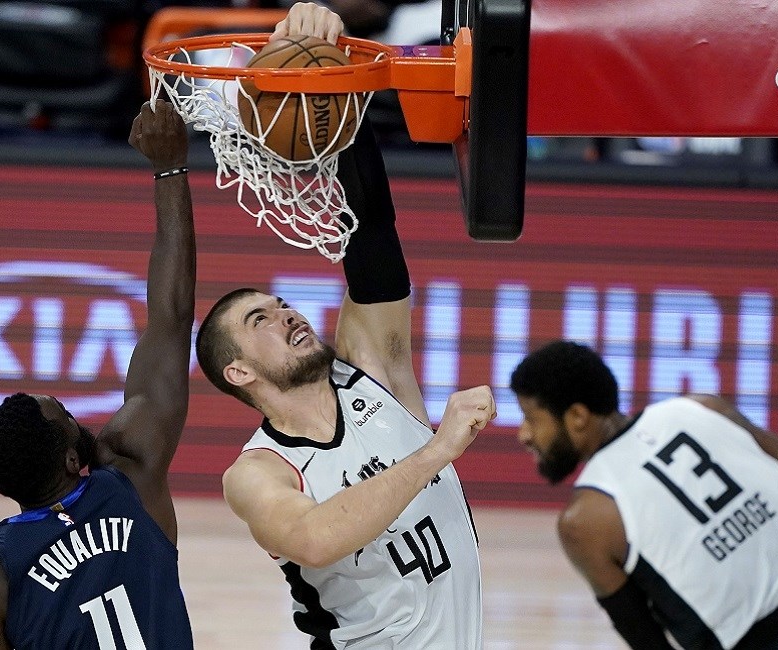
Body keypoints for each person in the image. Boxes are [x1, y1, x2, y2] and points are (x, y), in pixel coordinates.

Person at [193, 6, 492, 647]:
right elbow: (313, 537)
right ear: (238, 371)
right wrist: (437, 449)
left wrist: (339, 83)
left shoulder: (372, 374)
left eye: (280, 303)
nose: (287, 314)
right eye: (260, 320)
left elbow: (373, 234)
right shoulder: (258, 473)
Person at [0, 99, 196, 649]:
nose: (73, 411)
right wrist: (170, 169)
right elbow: (171, 317)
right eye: (65, 413)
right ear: (71, 458)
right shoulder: (131, 475)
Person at [509, 340, 778, 649]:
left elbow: (650, 644)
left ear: (576, 416)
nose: (524, 434)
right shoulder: (702, 408)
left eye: (532, 417)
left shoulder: (585, 519)